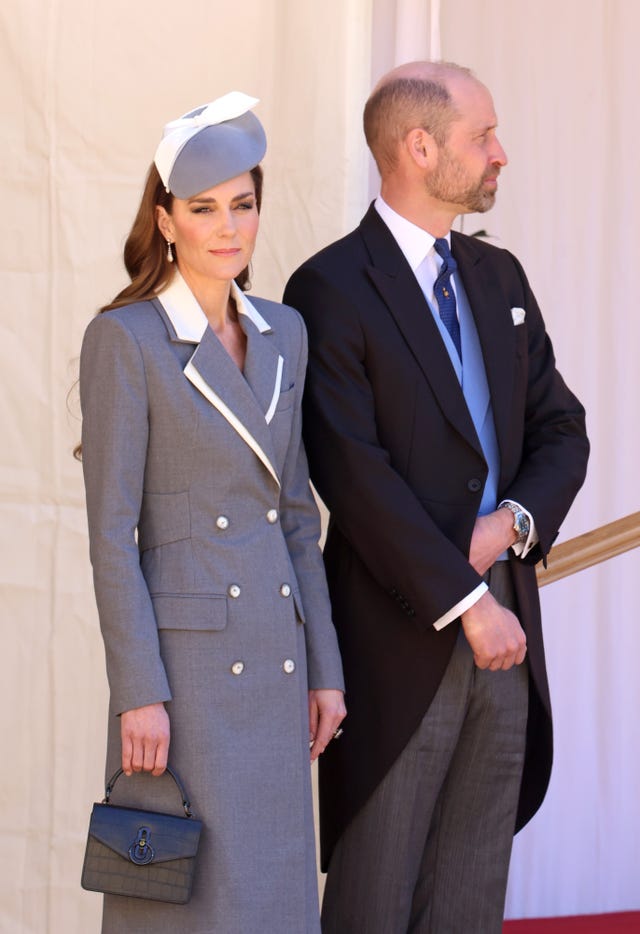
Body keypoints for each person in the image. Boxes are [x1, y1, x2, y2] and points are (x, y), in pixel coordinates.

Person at [283, 62, 589, 933]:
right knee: (374, 900)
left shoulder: (500, 279)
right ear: (419, 147)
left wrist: (509, 526)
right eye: (481, 136)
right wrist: (465, 597)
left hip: (509, 629)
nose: (500, 153)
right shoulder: (329, 288)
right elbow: (353, 473)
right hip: (393, 640)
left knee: (469, 895)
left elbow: (561, 428)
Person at [79, 92, 345, 933]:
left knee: (271, 897)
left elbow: (295, 516)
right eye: (204, 209)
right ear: (166, 220)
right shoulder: (126, 339)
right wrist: (138, 692)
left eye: (243, 204)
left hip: (276, 659)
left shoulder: (285, 333)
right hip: (185, 679)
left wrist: (326, 667)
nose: (229, 228)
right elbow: (111, 536)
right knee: (189, 908)